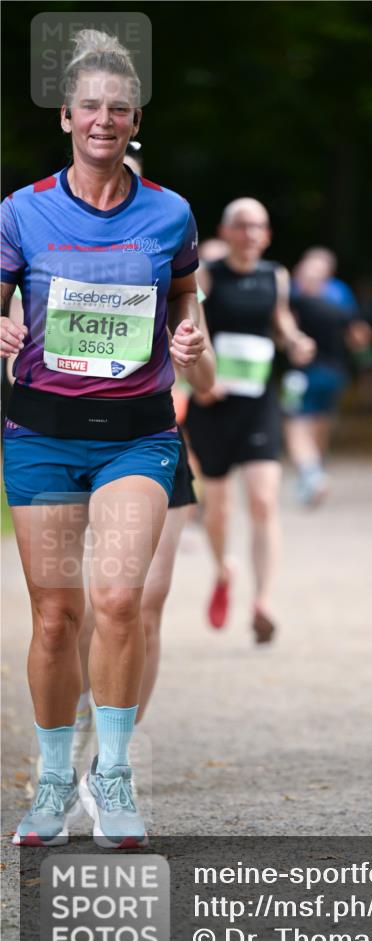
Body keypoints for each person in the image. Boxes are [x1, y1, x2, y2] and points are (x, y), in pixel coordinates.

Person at [1, 29, 207, 848]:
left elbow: (186, 300)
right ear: (65, 116)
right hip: (42, 433)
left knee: (119, 602)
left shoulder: (171, 213)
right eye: (90, 106)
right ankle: (52, 780)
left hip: (137, 435)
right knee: (55, 617)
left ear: (134, 120)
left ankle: (111, 776)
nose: (104, 119)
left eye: (118, 109)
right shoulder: (22, 210)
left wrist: (189, 340)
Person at [70, 142, 215, 758]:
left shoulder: (168, 260)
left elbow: (207, 382)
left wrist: (193, 356)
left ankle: (113, 755)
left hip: (152, 445)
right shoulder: (54, 254)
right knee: (82, 612)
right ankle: (77, 714)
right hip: (67, 445)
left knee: (141, 606)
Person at [185, 197, 314, 642]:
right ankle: (224, 569)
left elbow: (280, 321)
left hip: (258, 402)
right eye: (241, 226)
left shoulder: (274, 276)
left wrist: (296, 341)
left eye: (258, 226)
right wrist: (205, 374)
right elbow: (187, 322)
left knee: (263, 501)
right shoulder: (207, 274)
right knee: (218, 510)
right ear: (226, 231)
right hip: (212, 404)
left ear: (268, 235)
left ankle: (263, 601)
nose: (250, 234)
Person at [283, 254, 372, 505]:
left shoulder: (295, 302)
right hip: (336, 374)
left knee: (295, 426)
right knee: (321, 425)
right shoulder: (338, 308)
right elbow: (361, 337)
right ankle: (316, 474)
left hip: (303, 375)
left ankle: (312, 475)